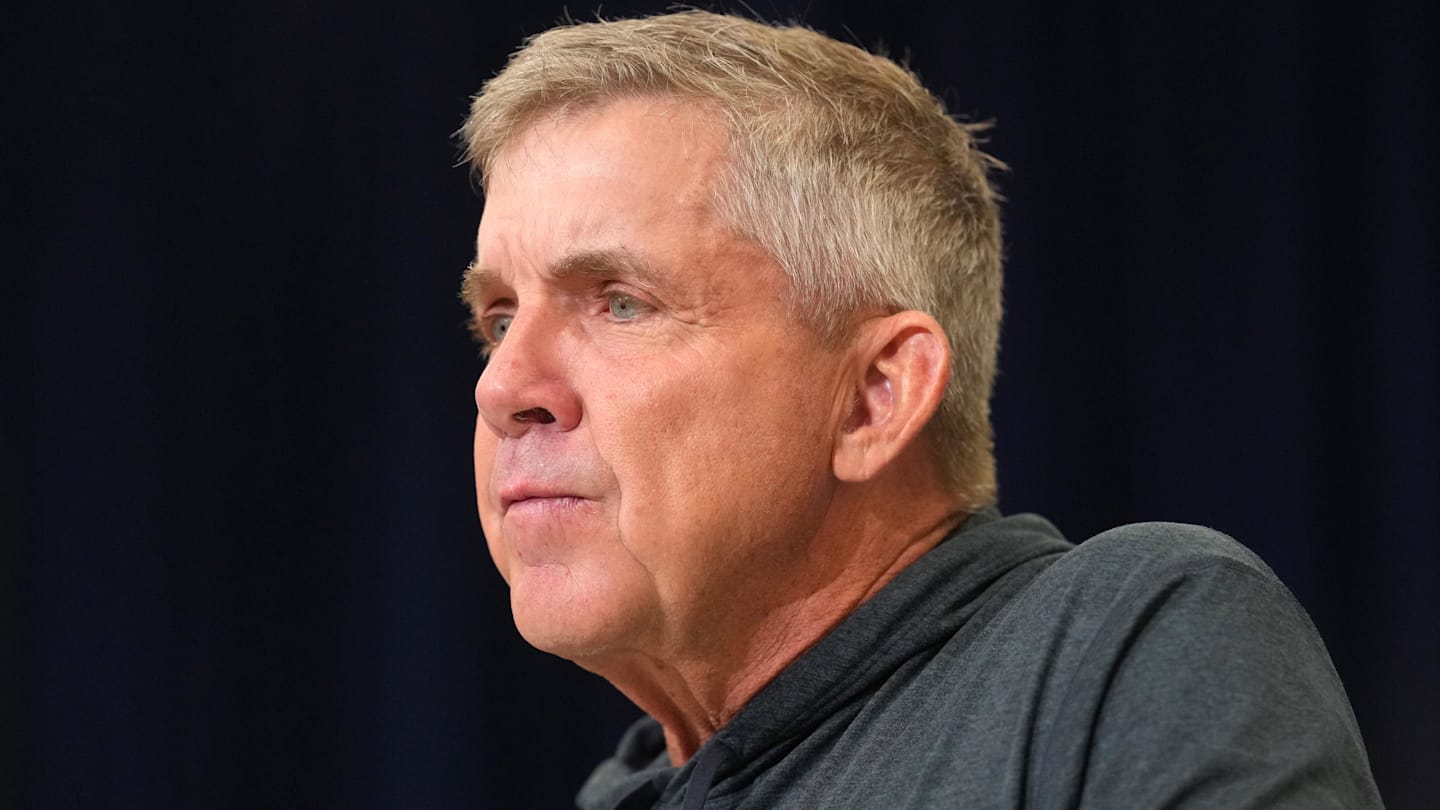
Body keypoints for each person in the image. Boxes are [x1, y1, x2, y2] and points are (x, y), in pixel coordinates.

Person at [458, 10, 1383, 809]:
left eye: (621, 303)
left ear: (874, 397)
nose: (501, 389)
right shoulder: (620, 790)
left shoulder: (1123, 650)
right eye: (498, 319)